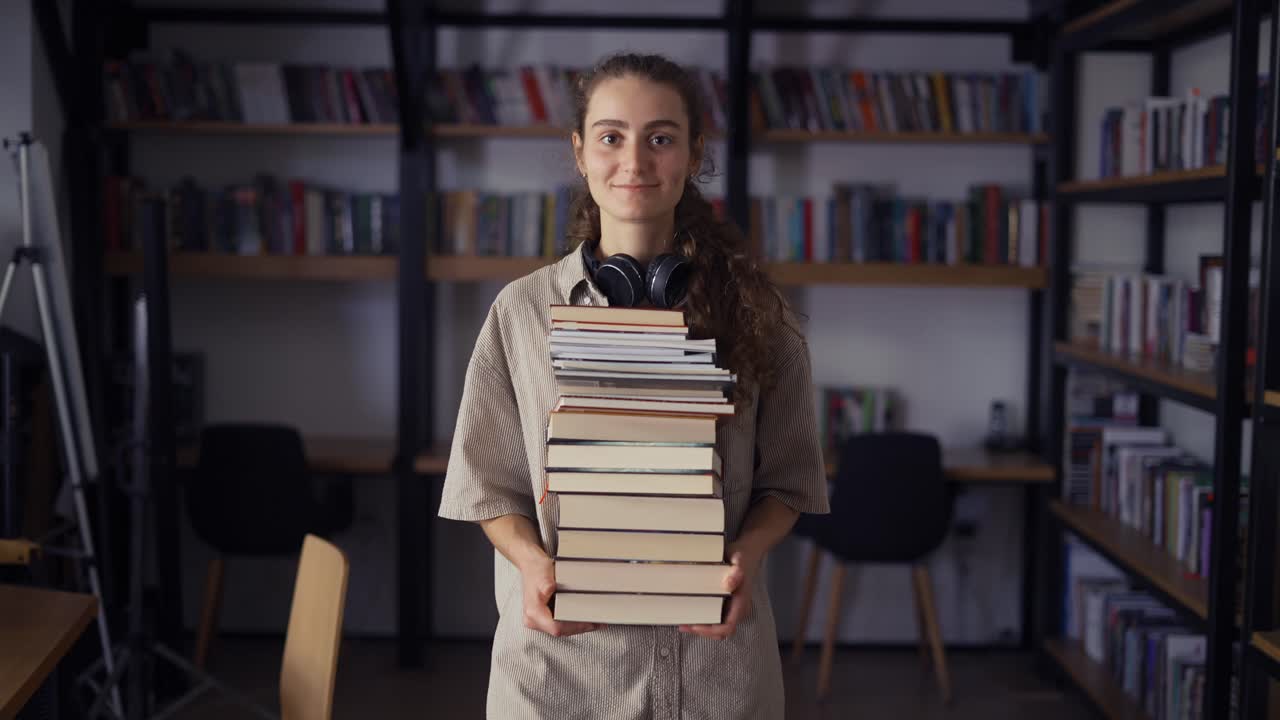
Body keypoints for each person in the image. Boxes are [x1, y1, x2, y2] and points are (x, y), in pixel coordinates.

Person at [437, 52, 829, 719]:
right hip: (562, 680)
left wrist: (749, 555)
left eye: (661, 138)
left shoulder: (762, 314)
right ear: (580, 152)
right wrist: (533, 564)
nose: (635, 162)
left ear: (694, 152)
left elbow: (789, 482)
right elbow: (485, 488)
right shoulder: (521, 313)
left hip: (717, 680)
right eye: (612, 136)